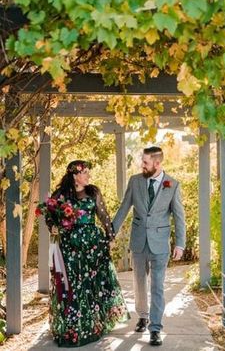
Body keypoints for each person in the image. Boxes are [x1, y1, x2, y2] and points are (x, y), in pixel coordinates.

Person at [46, 160, 129, 347]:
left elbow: (103, 215)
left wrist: (110, 236)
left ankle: (93, 325)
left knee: (92, 284)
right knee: (73, 285)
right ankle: (73, 329)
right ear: (75, 175)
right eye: (85, 173)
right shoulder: (61, 195)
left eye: (88, 172)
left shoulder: (93, 192)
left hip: (93, 245)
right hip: (70, 246)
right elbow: (49, 214)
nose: (88, 176)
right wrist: (52, 226)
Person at [113, 146, 186, 346]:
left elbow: (179, 217)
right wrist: (111, 231)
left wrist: (180, 243)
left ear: (157, 163)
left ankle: (155, 328)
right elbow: (124, 207)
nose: (142, 165)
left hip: (160, 243)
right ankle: (143, 316)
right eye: (142, 161)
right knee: (139, 283)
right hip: (138, 241)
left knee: (158, 286)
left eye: (145, 162)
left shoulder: (173, 184)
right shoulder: (135, 181)